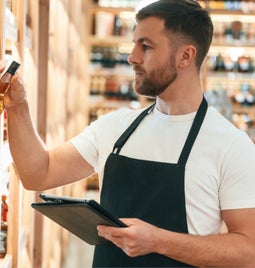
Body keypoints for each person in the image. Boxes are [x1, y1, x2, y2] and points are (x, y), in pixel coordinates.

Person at [2, 0, 255, 267]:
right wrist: (18, 106)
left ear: (186, 56)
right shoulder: (115, 126)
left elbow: (249, 250)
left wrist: (158, 240)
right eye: (134, 44)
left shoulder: (231, 146)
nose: (132, 56)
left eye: (146, 46)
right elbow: (38, 172)